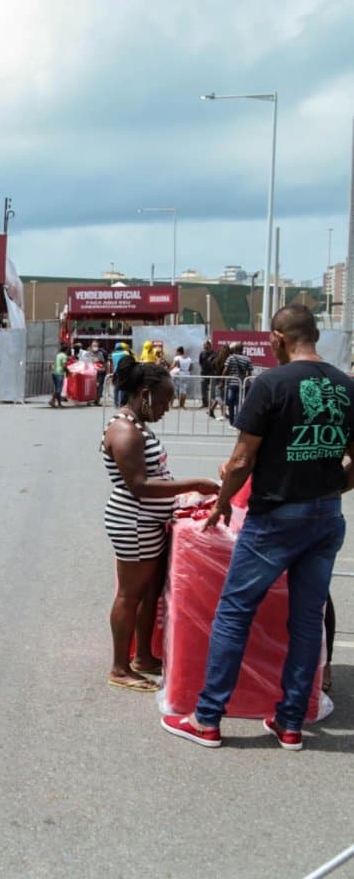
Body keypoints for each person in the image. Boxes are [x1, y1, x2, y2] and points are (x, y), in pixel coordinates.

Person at [162, 305, 354, 750]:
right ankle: (290, 724)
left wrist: (223, 504)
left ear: (277, 337)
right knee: (307, 621)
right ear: (314, 336)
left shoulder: (270, 384)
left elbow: (243, 459)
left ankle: (207, 718)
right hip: (326, 515)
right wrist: (330, 490)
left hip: (275, 516)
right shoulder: (347, 387)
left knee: (234, 613)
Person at [102, 357, 219, 691]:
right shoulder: (124, 429)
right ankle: (120, 667)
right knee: (130, 594)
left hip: (148, 521)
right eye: (165, 400)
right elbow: (138, 485)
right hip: (134, 522)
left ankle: (143, 658)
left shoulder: (137, 424)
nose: (168, 408)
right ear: (145, 393)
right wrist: (193, 484)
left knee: (150, 592)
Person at [223, 342, 253, 427]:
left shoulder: (231, 357)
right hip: (242, 383)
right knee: (239, 403)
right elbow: (249, 373)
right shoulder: (247, 359)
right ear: (242, 349)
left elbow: (225, 370)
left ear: (235, 349)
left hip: (232, 383)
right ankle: (237, 422)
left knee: (230, 402)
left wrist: (222, 380)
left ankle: (232, 421)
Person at [198, 339, 217, 415]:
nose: (204, 347)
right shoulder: (202, 353)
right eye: (204, 346)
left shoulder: (215, 353)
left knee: (212, 390)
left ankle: (211, 405)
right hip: (204, 373)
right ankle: (204, 403)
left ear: (210, 345)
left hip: (212, 374)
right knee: (203, 388)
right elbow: (200, 363)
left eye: (206, 346)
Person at [110, 342, 130, 407]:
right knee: (122, 387)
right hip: (123, 371)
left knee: (116, 388)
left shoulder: (113, 354)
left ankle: (116, 403)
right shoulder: (125, 353)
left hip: (115, 372)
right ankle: (121, 402)